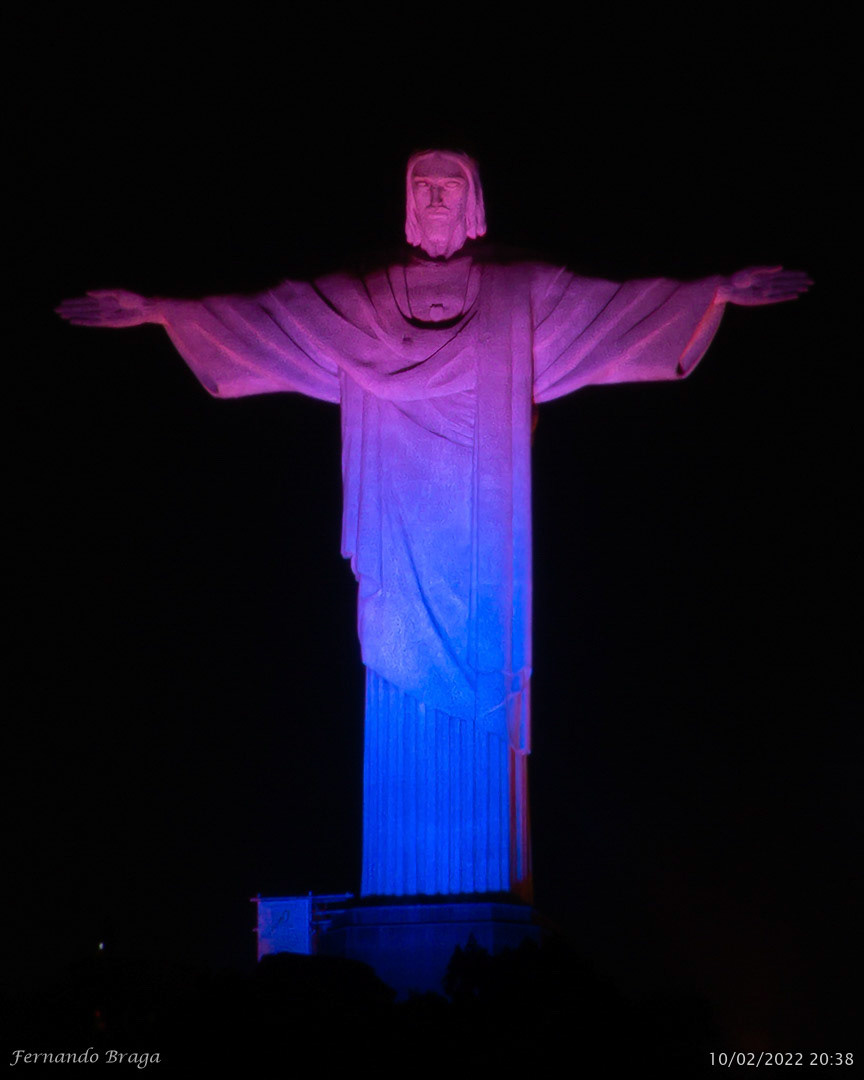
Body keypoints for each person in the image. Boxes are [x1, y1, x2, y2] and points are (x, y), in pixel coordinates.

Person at [56, 150, 811, 901]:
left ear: (475, 198)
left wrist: (713, 293)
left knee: (486, 707)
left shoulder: (519, 293)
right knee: (394, 679)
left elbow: (617, 310)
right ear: (407, 200)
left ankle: (482, 900)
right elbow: (268, 316)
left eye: (452, 186)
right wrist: (162, 310)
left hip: (484, 544)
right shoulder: (363, 297)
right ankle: (407, 897)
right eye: (425, 186)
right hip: (396, 536)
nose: (438, 197)